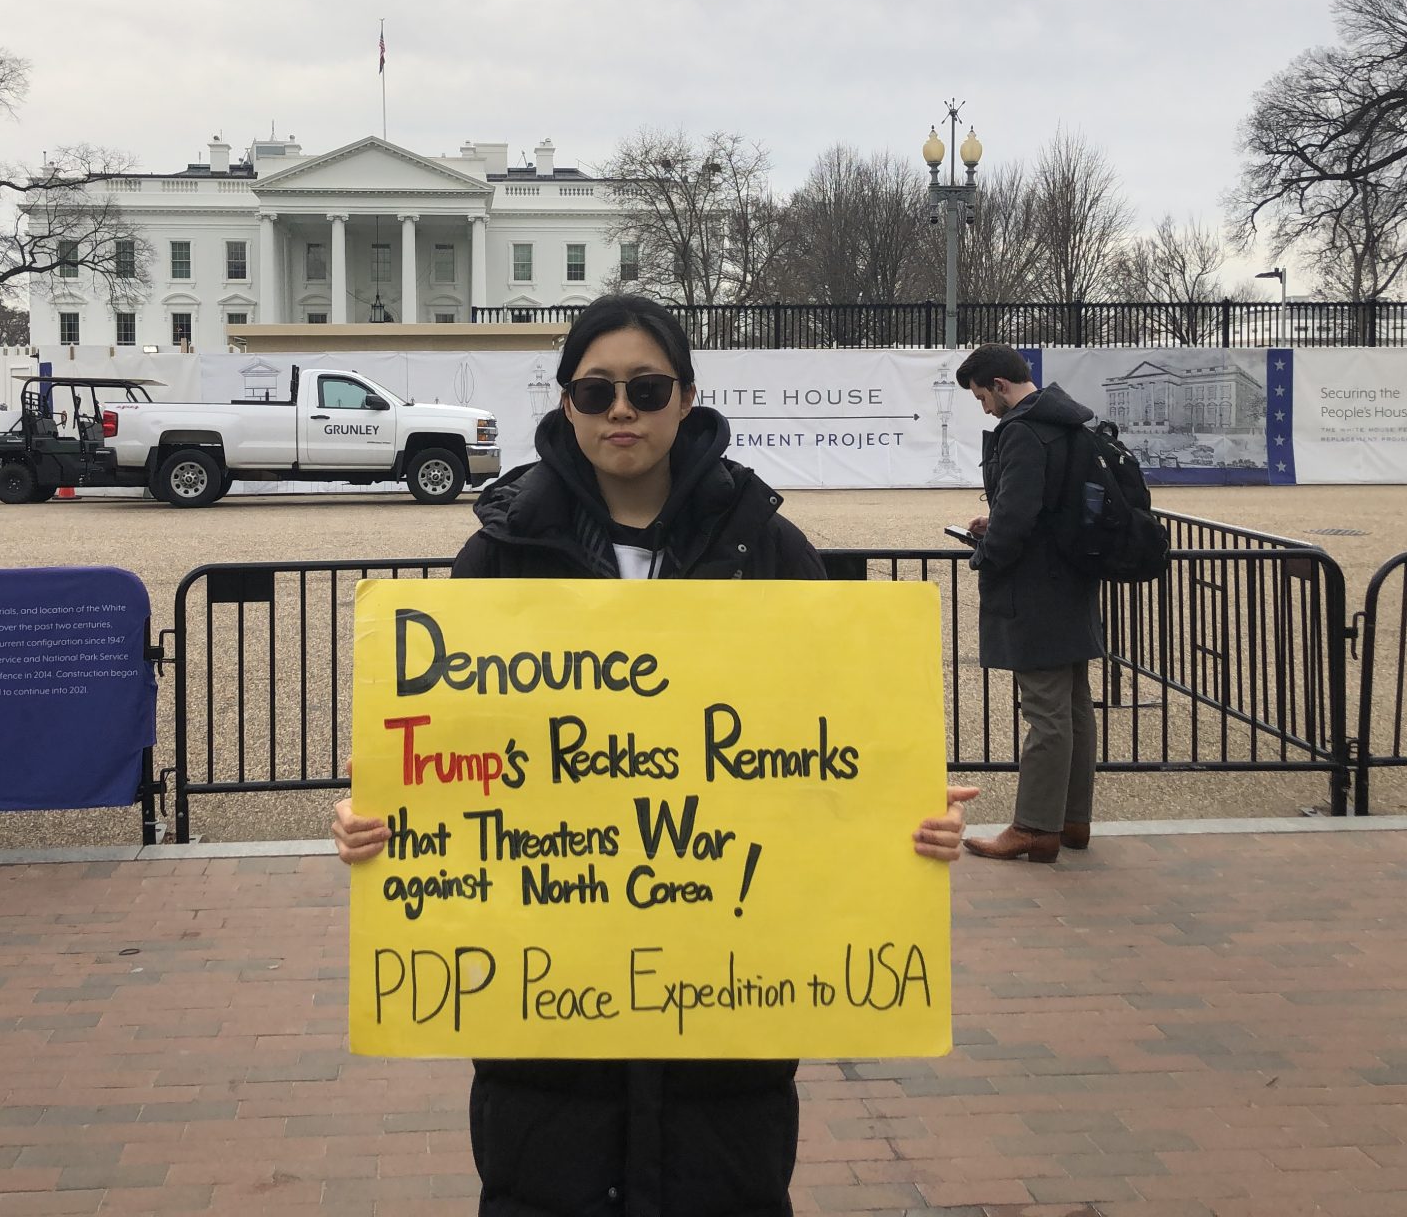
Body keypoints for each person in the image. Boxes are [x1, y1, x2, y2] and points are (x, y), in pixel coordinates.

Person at [333, 293, 977, 1217]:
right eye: (595, 392)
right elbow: (440, 754)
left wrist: (904, 806)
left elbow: (834, 741)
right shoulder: (500, 555)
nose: (621, 411)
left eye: (646, 388)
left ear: (687, 398)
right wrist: (374, 819)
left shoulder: (767, 547)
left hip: (728, 1022)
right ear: (566, 404)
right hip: (547, 1027)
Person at [954, 343, 1105, 864]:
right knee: (1075, 706)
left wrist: (986, 554)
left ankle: (1035, 827)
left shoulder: (1021, 430)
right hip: (1074, 579)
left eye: (982, 397)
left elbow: (1018, 517)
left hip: (1034, 589)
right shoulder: (1070, 421)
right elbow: (1051, 506)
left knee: (1045, 711)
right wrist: (997, 522)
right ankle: (1073, 819)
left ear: (999, 385)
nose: (984, 409)